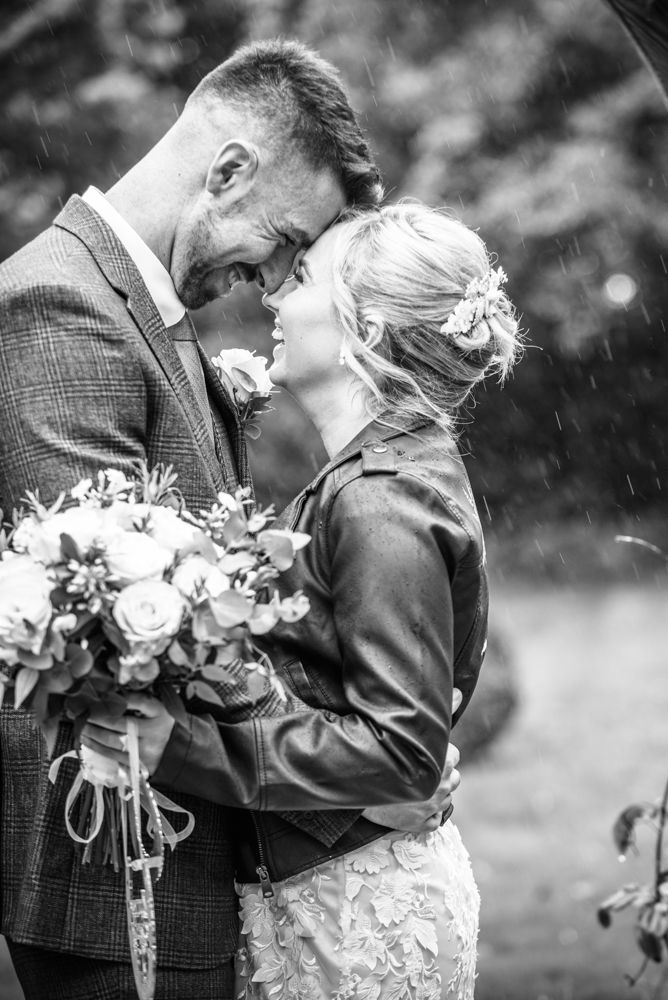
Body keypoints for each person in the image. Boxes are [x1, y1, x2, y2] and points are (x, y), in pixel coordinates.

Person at [0, 38, 459, 1000]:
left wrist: (381, 761)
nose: (277, 275)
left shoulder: (145, 310)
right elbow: (120, 642)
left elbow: (217, 616)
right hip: (119, 873)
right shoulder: (60, 306)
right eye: (287, 236)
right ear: (229, 171)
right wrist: (367, 789)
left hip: (196, 854)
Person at [85, 201, 522, 997]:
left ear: (368, 328)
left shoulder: (380, 497)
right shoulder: (387, 472)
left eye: (304, 278)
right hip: (333, 890)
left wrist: (178, 748)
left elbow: (400, 754)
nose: (274, 293)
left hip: (357, 917)